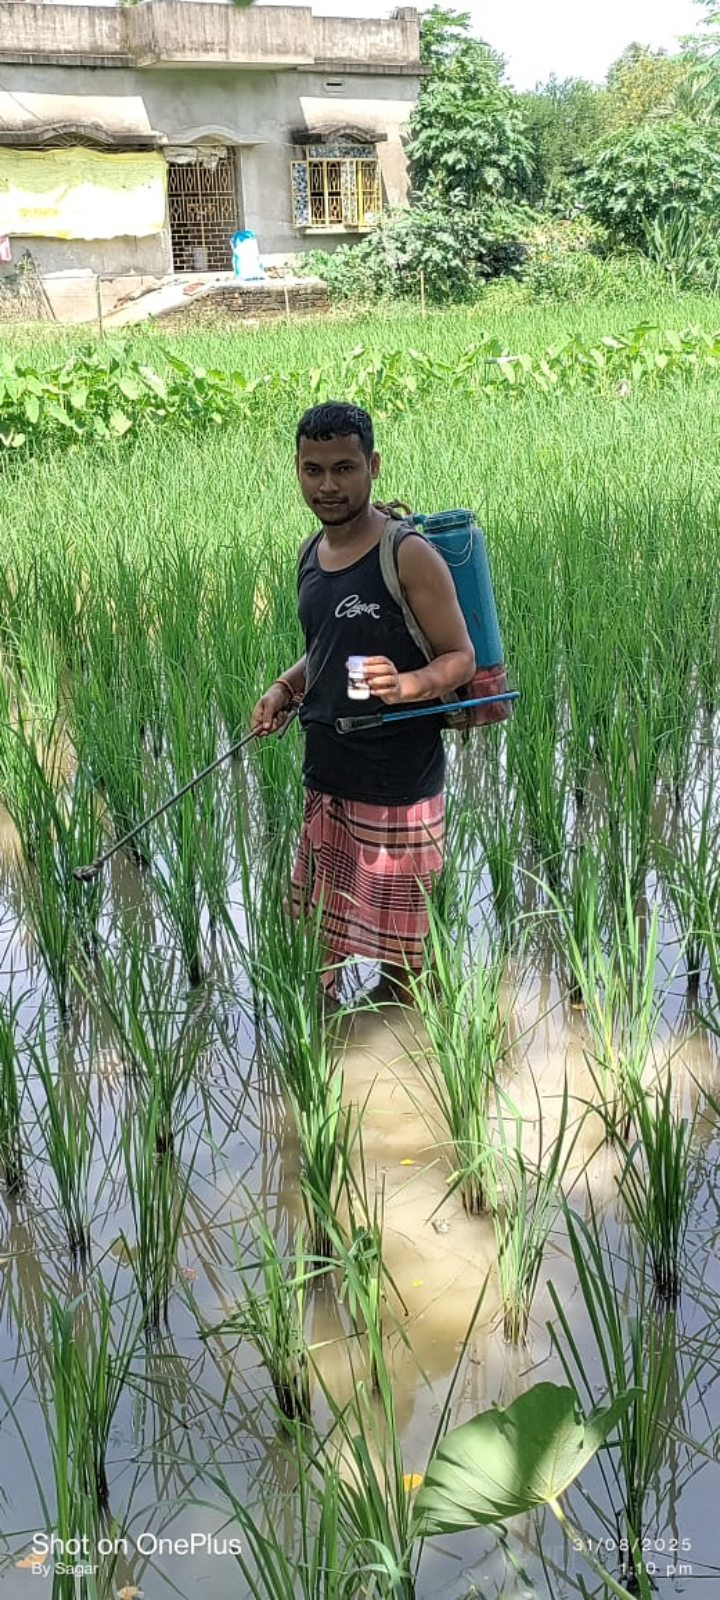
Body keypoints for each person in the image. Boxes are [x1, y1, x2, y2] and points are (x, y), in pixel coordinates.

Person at [250, 400, 475, 1000]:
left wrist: (406, 685)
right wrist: (284, 688)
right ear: (297, 470)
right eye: (313, 470)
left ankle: (405, 1047)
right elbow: (325, 650)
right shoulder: (310, 553)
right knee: (316, 949)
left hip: (398, 787)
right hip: (327, 779)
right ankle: (325, 1042)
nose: (328, 485)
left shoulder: (406, 554)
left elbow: (460, 657)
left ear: (372, 466)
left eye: (344, 468)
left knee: (403, 964)